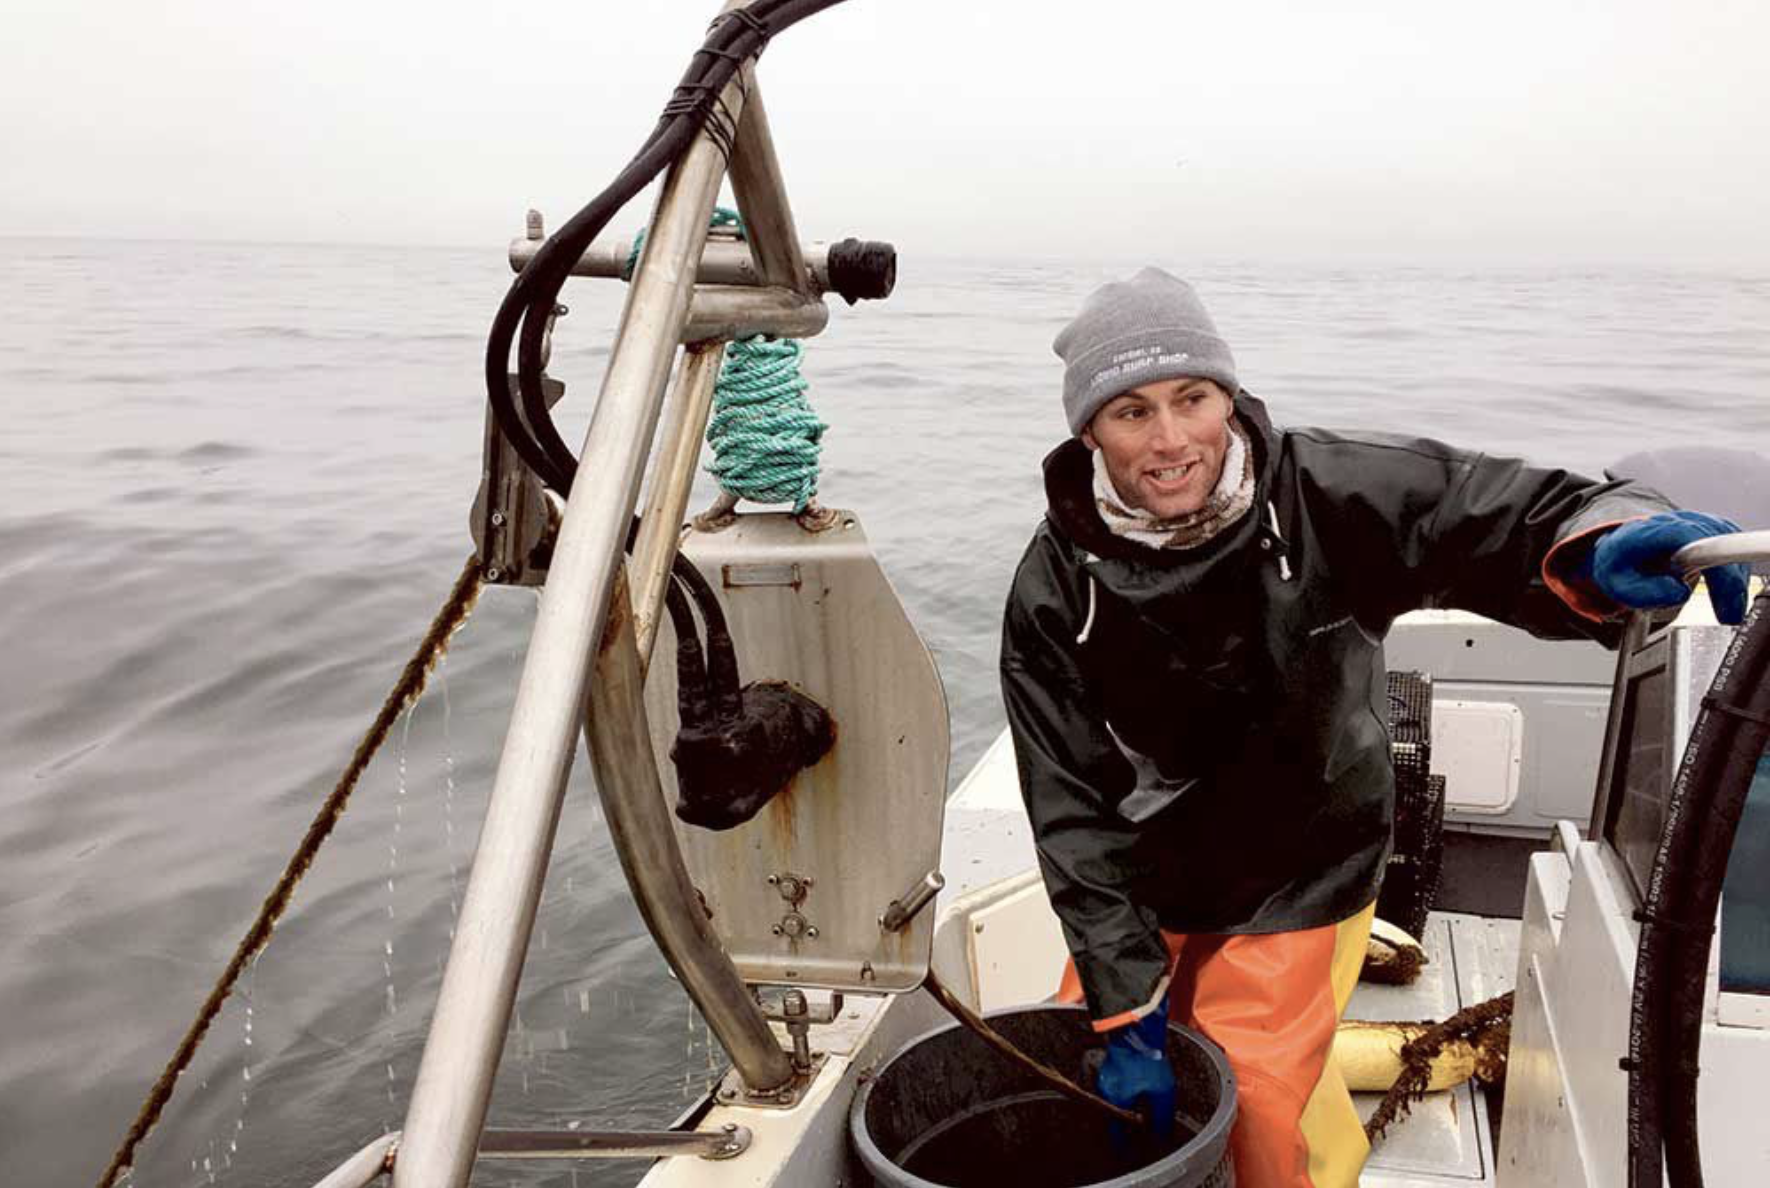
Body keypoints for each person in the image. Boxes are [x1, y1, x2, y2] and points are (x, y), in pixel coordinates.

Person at [999, 268, 1750, 1188]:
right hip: (1143, 864)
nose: (1169, 440)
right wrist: (1123, 1010)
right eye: (1131, 413)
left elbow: (1498, 514)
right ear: (1087, 432)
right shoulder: (1053, 584)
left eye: (1190, 399)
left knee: (1260, 1098)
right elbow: (1067, 805)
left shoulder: (1326, 492)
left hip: (1305, 861)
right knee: (1090, 1065)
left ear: (1226, 399)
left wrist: (1603, 540)